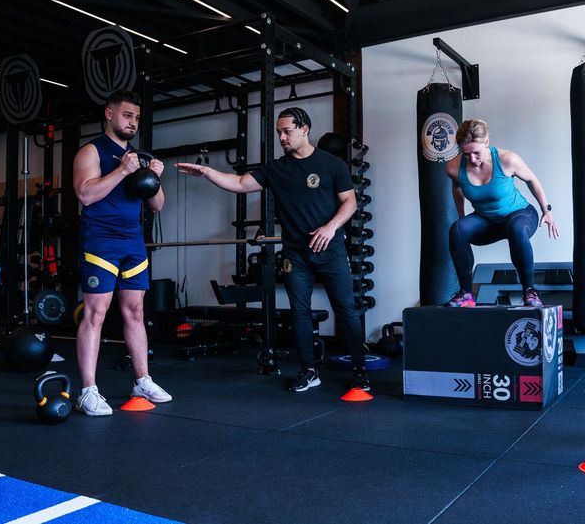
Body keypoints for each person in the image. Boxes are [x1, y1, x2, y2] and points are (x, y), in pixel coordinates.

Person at [176, 107, 368, 393]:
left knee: (347, 311)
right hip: (296, 254)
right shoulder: (277, 169)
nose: (282, 137)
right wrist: (206, 171)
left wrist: (331, 227)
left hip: (331, 250)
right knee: (299, 313)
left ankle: (359, 371)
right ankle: (309, 370)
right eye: (279, 132)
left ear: (304, 129)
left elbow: (349, 203)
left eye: (287, 131)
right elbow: (240, 183)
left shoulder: (332, 164)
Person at [72, 90, 172, 416]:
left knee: (135, 312)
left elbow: (157, 205)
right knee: (96, 313)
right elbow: (86, 195)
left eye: (137, 118)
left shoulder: (139, 157)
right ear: (110, 114)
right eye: (127, 115)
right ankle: (88, 391)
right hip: (101, 241)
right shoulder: (91, 151)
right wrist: (122, 171)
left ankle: (142, 379)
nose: (133, 123)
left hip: (133, 242)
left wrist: (154, 178)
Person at [443, 119, 559, 308]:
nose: (472, 159)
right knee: (457, 229)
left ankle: (529, 291)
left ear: (486, 142)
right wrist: (462, 216)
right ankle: (466, 294)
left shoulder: (507, 159)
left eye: (476, 152)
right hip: (487, 220)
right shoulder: (453, 168)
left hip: (519, 215)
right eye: (466, 154)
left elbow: (532, 179)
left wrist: (546, 210)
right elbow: (456, 188)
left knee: (516, 228)